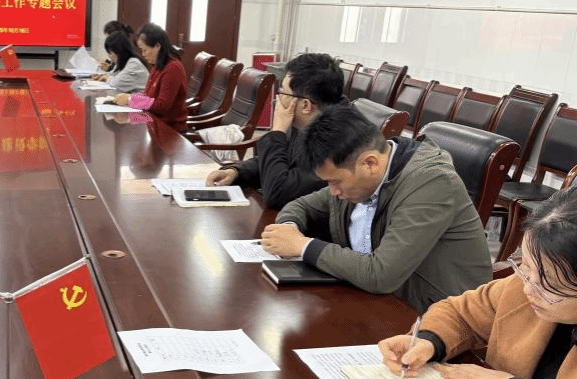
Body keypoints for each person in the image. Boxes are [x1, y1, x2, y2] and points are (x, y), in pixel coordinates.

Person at [378, 186, 577, 379]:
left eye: (551, 284)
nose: (528, 289)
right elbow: (461, 313)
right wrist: (430, 341)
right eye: (526, 267)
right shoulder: (523, 286)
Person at [260, 104, 490, 311]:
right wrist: (288, 229)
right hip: (377, 299)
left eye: (335, 182)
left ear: (370, 163)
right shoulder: (358, 178)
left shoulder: (433, 183)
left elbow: (380, 275)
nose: (333, 192)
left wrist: (302, 246)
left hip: (438, 317)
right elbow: (300, 206)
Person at [205, 53, 348, 208]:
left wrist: (277, 131)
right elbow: (279, 161)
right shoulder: (312, 122)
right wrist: (236, 172)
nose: (277, 100)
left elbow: (278, 192)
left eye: (283, 93)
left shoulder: (338, 142)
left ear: (305, 105)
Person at [113, 23, 188, 132]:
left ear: (157, 46)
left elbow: (161, 107)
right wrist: (129, 97)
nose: (143, 54)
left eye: (145, 50)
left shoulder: (173, 68)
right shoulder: (158, 65)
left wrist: (130, 100)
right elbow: (149, 96)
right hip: (154, 123)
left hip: (170, 130)